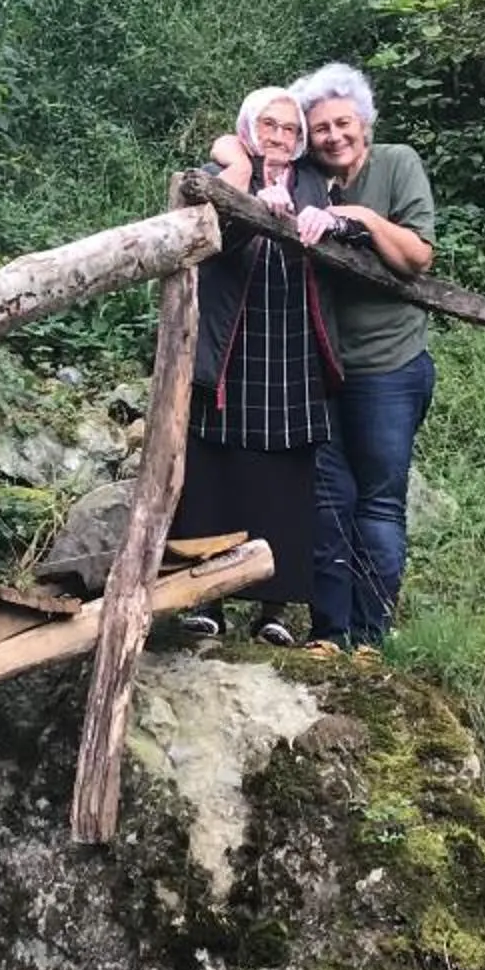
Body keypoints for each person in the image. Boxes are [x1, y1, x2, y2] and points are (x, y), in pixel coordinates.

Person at [170, 86, 348, 644]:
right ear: (248, 128)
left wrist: (328, 222)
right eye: (268, 125)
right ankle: (209, 603)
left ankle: (274, 609)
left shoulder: (317, 184)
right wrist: (249, 203)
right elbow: (204, 242)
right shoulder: (217, 173)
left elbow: (346, 233)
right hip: (231, 343)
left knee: (285, 478)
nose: (280, 136)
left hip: (291, 343)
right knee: (216, 475)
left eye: (290, 130)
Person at [292, 62, 436, 646]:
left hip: (388, 365)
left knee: (378, 503)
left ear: (364, 123)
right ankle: (331, 632)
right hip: (319, 367)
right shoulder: (303, 178)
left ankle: (370, 637)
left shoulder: (397, 164)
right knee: (328, 500)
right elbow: (241, 146)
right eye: (320, 128)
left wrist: (361, 216)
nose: (333, 136)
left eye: (342, 123)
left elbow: (417, 257)